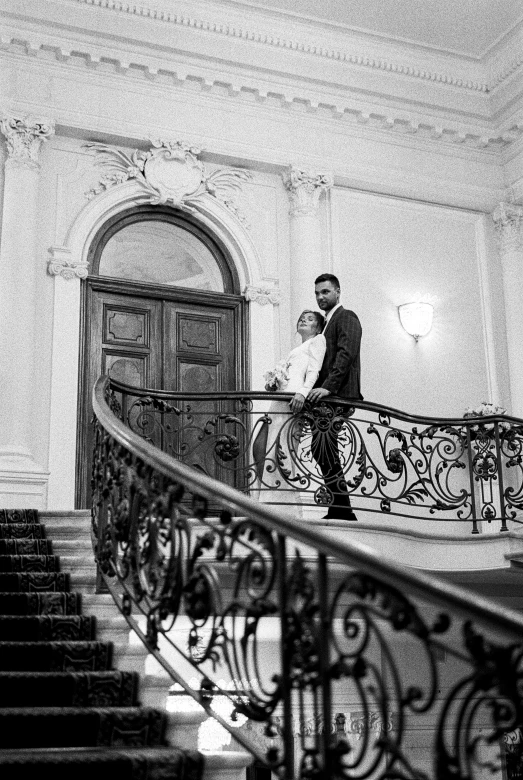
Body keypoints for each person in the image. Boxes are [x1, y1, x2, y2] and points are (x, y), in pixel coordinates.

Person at [256, 310, 326, 504]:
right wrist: (274, 382)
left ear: (318, 327)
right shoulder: (298, 348)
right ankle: (265, 496)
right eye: (302, 317)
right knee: (261, 446)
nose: (303, 319)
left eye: (310, 319)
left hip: (292, 402)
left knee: (282, 449)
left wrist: (303, 393)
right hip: (279, 400)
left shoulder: (318, 340)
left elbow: (314, 371)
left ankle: (280, 503)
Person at [307, 273, 363, 520]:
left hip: (339, 395)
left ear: (338, 292)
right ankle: (340, 507)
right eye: (318, 293)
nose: (320, 297)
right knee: (322, 448)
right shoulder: (326, 323)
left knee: (322, 447)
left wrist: (328, 387)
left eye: (325, 292)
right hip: (327, 397)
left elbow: (346, 353)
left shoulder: (346, 317)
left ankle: (343, 508)